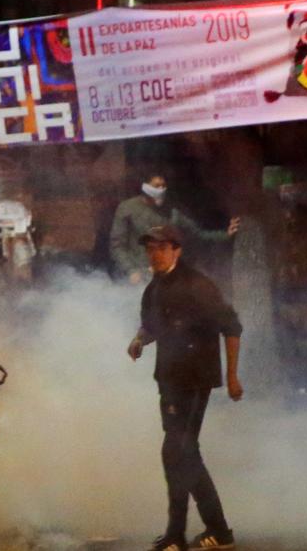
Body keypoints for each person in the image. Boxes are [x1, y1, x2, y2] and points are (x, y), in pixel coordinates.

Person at [127, 225, 242, 551]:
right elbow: (150, 326)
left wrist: (233, 377)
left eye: (161, 248)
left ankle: (211, 532)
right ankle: (184, 533)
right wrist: (139, 340)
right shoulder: (154, 288)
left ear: (176, 250)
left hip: (195, 380)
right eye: (150, 248)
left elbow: (232, 326)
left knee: (182, 452)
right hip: (169, 379)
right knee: (175, 453)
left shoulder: (197, 285)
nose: (155, 254)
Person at [110, 173, 239, 284]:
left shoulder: (173, 211)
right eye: (156, 186)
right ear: (145, 187)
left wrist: (226, 234)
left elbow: (198, 234)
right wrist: (131, 270)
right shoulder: (127, 208)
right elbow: (117, 245)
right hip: (139, 276)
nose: (161, 189)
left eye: (163, 186)